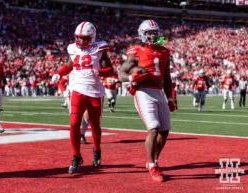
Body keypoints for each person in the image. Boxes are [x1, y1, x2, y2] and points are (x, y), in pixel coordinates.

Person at [51, 21, 113, 174]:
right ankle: (76, 156)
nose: (80, 41)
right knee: (73, 124)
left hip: (94, 91)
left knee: (95, 124)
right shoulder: (73, 49)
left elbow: (110, 70)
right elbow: (70, 65)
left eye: (84, 38)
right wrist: (59, 73)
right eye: (78, 38)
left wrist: (100, 72)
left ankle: (97, 150)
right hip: (77, 89)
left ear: (92, 37)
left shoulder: (99, 49)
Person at [119, 19, 176, 182]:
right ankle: (152, 165)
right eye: (150, 33)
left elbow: (166, 78)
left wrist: (170, 97)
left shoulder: (165, 51)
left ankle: (154, 160)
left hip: (159, 92)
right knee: (153, 128)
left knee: (164, 131)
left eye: (156, 33)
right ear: (142, 35)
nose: (154, 35)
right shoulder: (136, 50)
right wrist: (131, 77)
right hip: (143, 91)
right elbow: (121, 72)